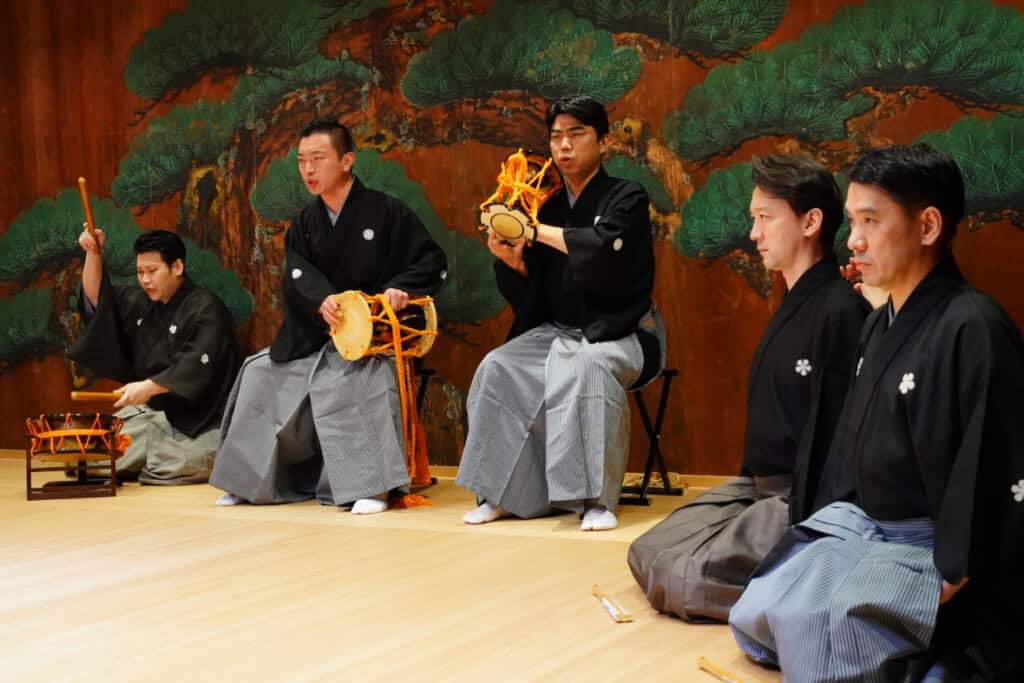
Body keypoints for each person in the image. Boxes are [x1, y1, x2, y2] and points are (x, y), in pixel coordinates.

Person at [729, 145, 1024, 682]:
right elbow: (848, 451)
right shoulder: (879, 321)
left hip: (929, 552)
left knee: (814, 628)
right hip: (867, 530)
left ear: (928, 226)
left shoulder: (973, 324)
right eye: (853, 220)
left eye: (871, 221)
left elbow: (992, 470)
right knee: (759, 607)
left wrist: (948, 579)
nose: (854, 240)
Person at [627, 154, 869, 621]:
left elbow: (838, 442)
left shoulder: (841, 311)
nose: (754, 233)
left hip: (800, 499)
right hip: (753, 489)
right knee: (649, 549)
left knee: (684, 578)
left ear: (810, 222)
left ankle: (804, 593)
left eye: (764, 218)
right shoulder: (797, 300)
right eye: (753, 219)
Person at [210, 117, 447, 514]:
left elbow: (431, 261)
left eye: (318, 158)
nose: (308, 169)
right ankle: (252, 483)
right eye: (302, 160)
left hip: (371, 339)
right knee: (259, 372)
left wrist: (399, 288)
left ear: (347, 160)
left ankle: (371, 487)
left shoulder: (387, 212)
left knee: (360, 379)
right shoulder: (305, 223)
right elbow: (296, 275)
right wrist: (320, 299)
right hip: (320, 332)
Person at [455, 95, 661, 532]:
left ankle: (595, 500)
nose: (564, 145)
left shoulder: (626, 195)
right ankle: (501, 494)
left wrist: (532, 230)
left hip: (621, 329)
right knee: (497, 367)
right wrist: (514, 264)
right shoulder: (545, 205)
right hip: (557, 329)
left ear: (603, 142)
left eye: (576, 134)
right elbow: (534, 297)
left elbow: (602, 248)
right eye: (556, 137)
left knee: (588, 367)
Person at [68, 228, 240, 484]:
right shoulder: (141, 301)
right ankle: (142, 457)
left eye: (152, 271)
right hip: (154, 414)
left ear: (177, 267)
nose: (145, 280)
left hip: (201, 421)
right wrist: (93, 254)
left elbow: (194, 364)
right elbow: (99, 302)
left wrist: (148, 387)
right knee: (85, 455)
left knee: (184, 462)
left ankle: (147, 459)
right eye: (140, 272)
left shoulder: (206, 307)